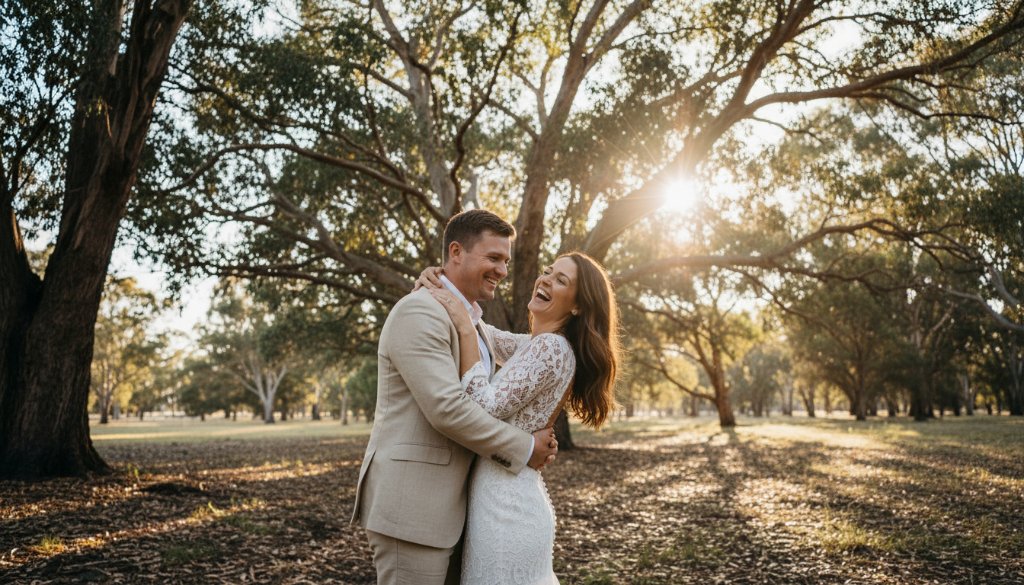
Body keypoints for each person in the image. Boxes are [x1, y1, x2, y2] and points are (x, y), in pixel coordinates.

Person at [351, 209, 559, 585]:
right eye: (493, 258)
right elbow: (446, 409)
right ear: (457, 252)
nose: (502, 270)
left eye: (506, 261)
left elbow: (541, 353)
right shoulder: (419, 311)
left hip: (459, 510)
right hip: (414, 511)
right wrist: (524, 448)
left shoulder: (474, 322)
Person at [417, 250, 620, 584]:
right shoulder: (534, 345)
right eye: (548, 272)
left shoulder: (551, 348)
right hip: (502, 500)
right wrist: (442, 282)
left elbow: (486, 405)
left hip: (507, 511)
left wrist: (464, 328)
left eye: (561, 280)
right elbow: (488, 336)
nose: (546, 280)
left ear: (577, 306)